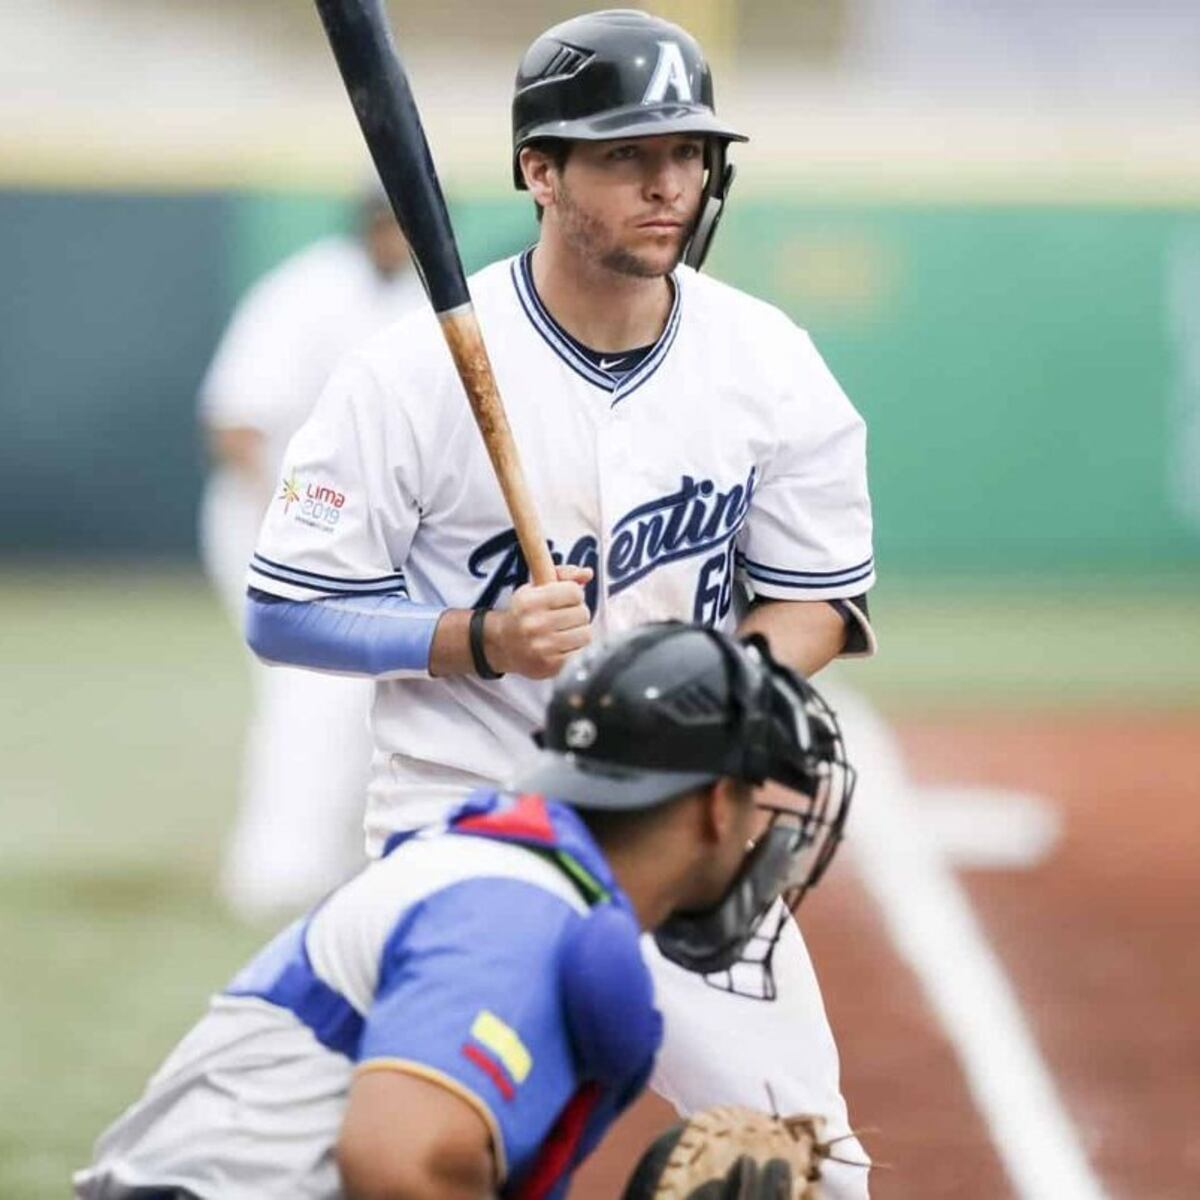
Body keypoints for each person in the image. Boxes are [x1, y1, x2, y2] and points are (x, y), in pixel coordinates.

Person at [245, 9, 875, 1197]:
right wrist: (479, 637)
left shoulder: (766, 359)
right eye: (628, 156)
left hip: (674, 832)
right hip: (470, 822)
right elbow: (286, 609)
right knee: (435, 1162)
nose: (669, 185)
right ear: (541, 172)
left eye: (688, 154)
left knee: (808, 1166)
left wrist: (705, 696)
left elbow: (820, 600)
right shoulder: (408, 372)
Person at [74, 623, 855, 1200]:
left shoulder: (523, 881)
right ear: (716, 805)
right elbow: (401, 1169)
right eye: (756, 795)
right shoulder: (514, 908)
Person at [198, 187, 425, 918]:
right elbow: (236, 425)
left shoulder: (415, 300)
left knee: (364, 697)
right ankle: (276, 872)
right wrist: (292, 537)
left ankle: (341, 865)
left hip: (360, 539)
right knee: (309, 692)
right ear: (369, 224)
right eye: (392, 222)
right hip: (273, 521)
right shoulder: (306, 291)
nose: (402, 235)